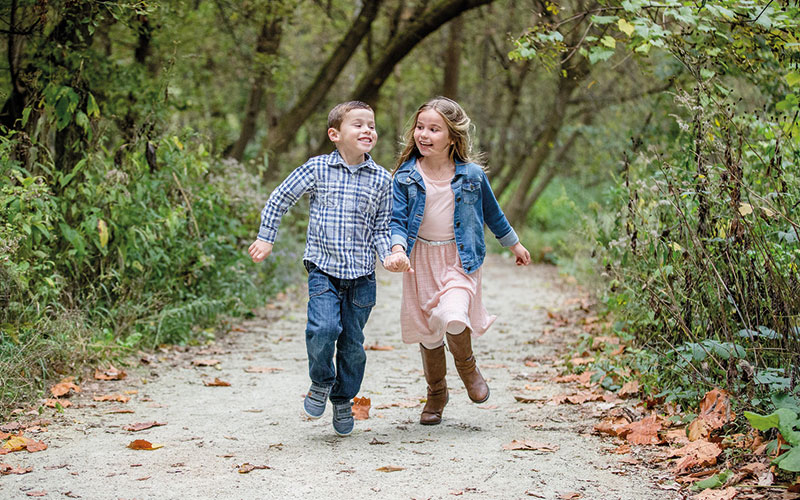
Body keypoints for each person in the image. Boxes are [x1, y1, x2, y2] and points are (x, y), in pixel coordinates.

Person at [249, 101, 395, 437]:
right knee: (323, 329)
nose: (367, 130)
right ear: (335, 134)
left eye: (371, 125)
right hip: (324, 271)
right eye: (358, 124)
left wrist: (389, 256)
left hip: (362, 278)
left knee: (352, 345)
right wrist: (266, 238)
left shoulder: (382, 179)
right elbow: (280, 197)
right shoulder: (317, 169)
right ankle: (321, 381)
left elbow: (383, 228)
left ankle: (343, 399)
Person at [383, 96, 531, 425]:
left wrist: (514, 244)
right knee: (428, 333)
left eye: (434, 129)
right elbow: (395, 220)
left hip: (459, 259)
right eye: (420, 127)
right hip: (420, 259)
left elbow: (493, 214)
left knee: (453, 315)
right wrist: (396, 249)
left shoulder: (473, 176)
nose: (424, 134)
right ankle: (436, 392)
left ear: (452, 137)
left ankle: (468, 368)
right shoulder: (405, 177)